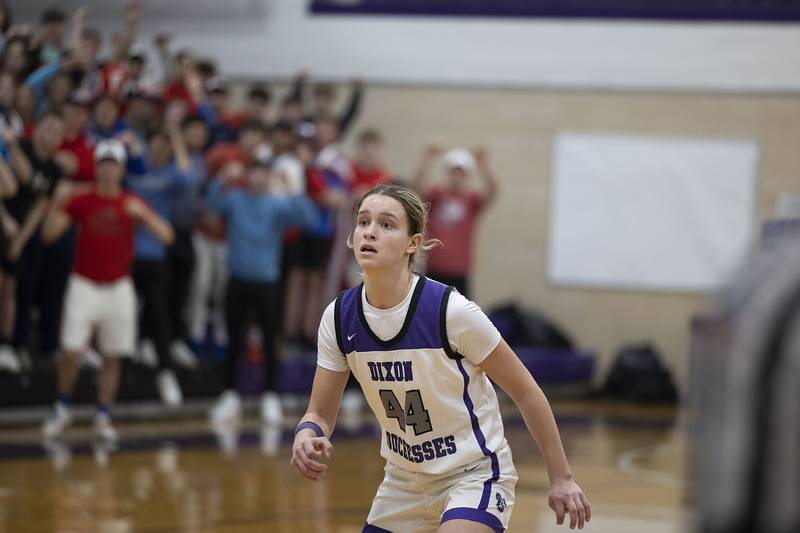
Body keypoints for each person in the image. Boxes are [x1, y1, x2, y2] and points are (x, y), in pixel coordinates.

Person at [291, 184, 590, 532]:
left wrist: (561, 477)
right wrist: (305, 432)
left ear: (413, 243)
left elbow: (526, 392)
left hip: (473, 474)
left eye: (387, 224)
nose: (370, 231)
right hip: (404, 482)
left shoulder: (450, 312)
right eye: (363, 221)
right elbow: (319, 412)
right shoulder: (340, 316)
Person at [40, 139, 174, 443]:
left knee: (113, 354)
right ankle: (62, 406)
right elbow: (49, 235)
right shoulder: (81, 199)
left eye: (114, 163)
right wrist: (59, 203)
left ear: (122, 168)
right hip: (84, 283)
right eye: (104, 163)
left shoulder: (131, 201)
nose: (109, 169)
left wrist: (146, 216)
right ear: (97, 166)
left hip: (118, 285)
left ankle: (102, 415)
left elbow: (167, 236)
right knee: (71, 350)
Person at [206, 158, 317, 426]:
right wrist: (222, 178)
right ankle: (230, 394)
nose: (258, 178)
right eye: (254, 172)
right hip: (237, 280)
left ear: (268, 177)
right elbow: (210, 206)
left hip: (267, 283)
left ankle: (270, 395)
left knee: (270, 340)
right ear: (247, 175)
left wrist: (294, 191)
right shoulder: (234, 199)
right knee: (234, 339)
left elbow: (309, 219)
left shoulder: (277, 204)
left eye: (263, 174)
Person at [413, 144, 498, 299]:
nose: (457, 178)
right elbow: (417, 185)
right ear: (447, 174)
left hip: (460, 272)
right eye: (454, 172)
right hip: (434, 269)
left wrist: (484, 164)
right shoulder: (436, 196)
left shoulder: (471, 201)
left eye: (461, 174)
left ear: (467, 177)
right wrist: (428, 158)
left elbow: (493, 190)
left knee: (461, 319)